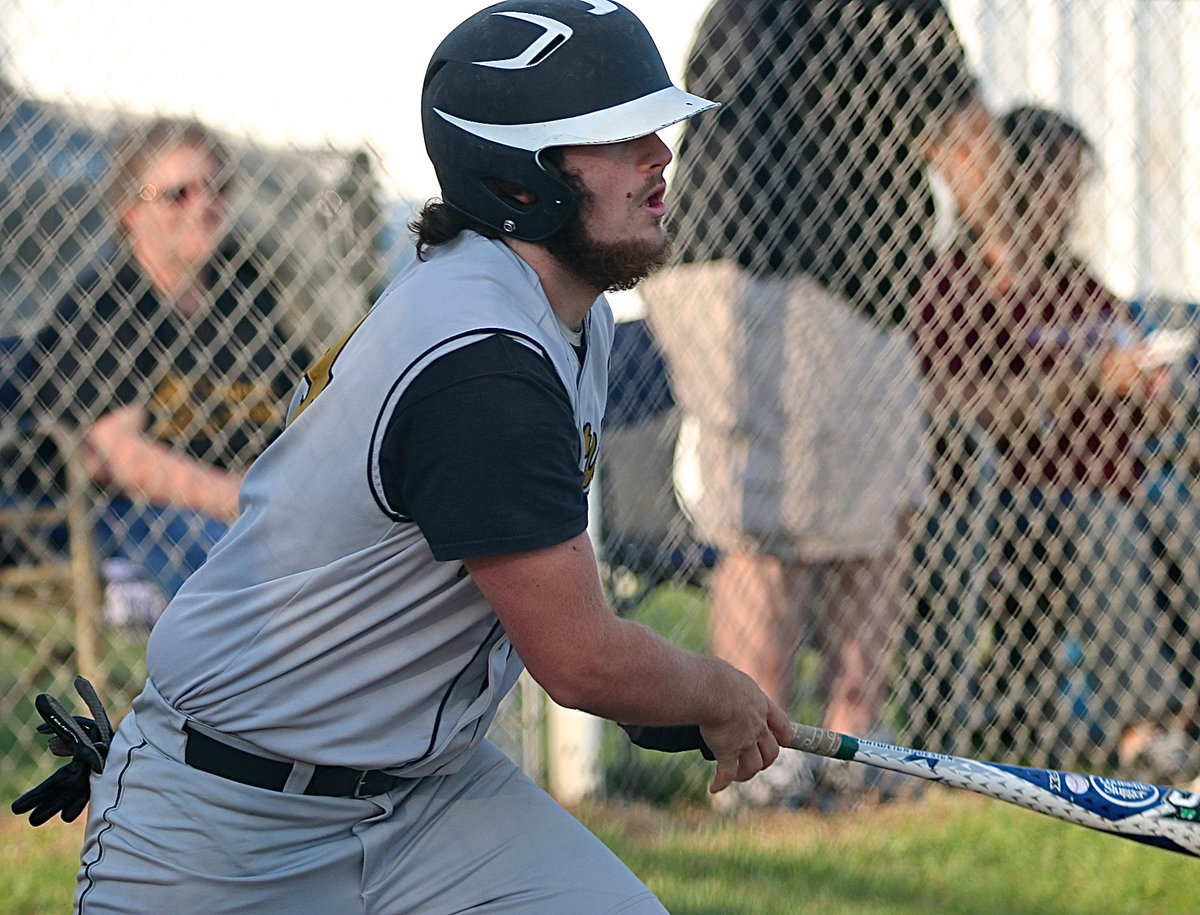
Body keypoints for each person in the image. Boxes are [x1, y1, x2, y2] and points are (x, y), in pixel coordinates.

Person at [15, 3, 792, 911]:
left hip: (425, 796)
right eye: (615, 136)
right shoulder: (481, 359)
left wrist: (681, 699)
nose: (659, 154)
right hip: (227, 814)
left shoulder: (564, 318)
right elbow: (580, 657)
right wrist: (713, 688)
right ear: (523, 176)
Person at [639, 0, 1008, 805]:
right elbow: (966, 142)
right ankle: (766, 760)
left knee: (873, 510)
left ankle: (848, 747)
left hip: (766, 282)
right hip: (798, 285)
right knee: (777, 525)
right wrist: (1000, 242)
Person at [909, 105, 1166, 768]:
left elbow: (1134, 392)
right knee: (1100, 523)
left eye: (1076, 183)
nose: (1068, 200)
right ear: (1008, 179)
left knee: (1177, 509)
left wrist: (1158, 398)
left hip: (1118, 487)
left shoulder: (1085, 288)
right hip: (1008, 503)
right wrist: (1081, 380)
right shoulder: (954, 284)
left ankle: (1181, 715)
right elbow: (943, 406)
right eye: (1054, 180)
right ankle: (1146, 731)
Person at [29, 117, 312, 610]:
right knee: (211, 550)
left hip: (250, 506)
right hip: (139, 514)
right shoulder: (109, 305)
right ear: (130, 210)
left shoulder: (244, 291)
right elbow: (113, 455)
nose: (204, 207)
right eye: (178, 194)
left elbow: (303, 404)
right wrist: (237, 497)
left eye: (217, 188)